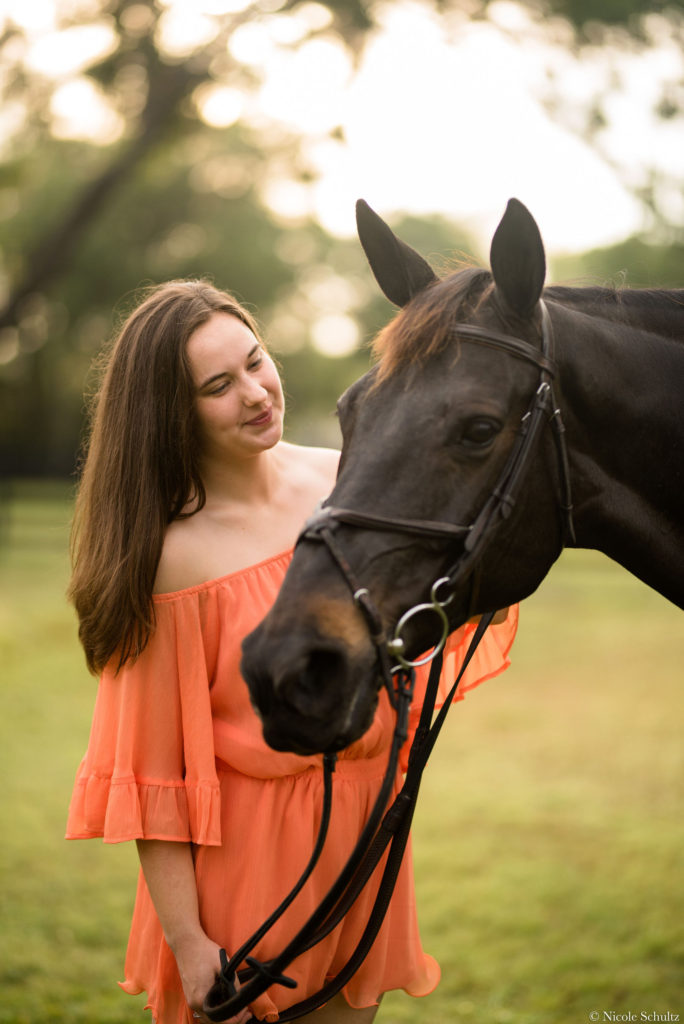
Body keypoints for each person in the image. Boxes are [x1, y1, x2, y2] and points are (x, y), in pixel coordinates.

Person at [66, 279, 518, 1024]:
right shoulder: (174, 557)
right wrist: (189, 941)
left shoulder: (345, 480)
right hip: (252, 862)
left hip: (366, 831)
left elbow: (416, 627)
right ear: (171, 415)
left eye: (254, 361)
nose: (254, 392)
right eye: (218, 385)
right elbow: (155, 775)